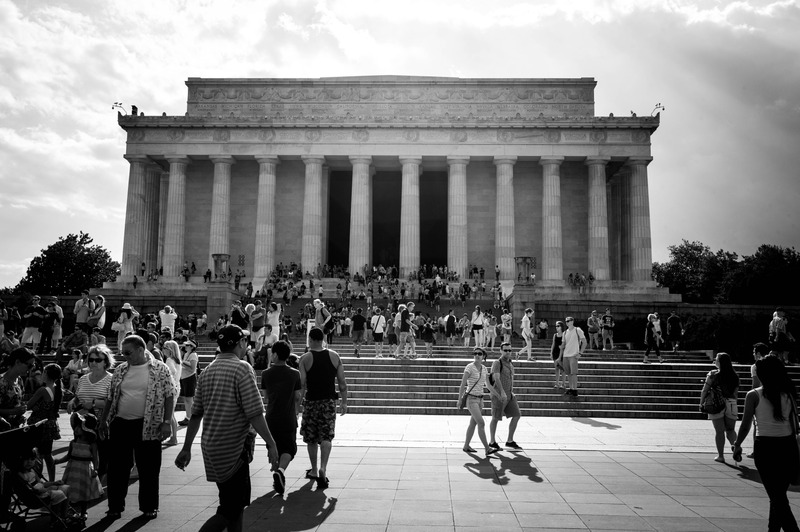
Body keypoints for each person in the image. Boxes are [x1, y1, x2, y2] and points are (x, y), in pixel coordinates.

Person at [176, 324, 279, 531]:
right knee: (229, 509)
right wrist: (271, 444)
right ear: (240, 343)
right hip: (233, 449)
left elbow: (195, 414)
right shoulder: (242, 368)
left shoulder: (207, 371)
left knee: (233, 504)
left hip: (211, 446)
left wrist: (186, 448)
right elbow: (255, 413)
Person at [99, 334, 177, 520]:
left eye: (128, 353)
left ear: (141, 350)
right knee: (117, 468)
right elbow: (111, 396)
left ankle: (149, 507)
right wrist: (103, 420)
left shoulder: (160, 368)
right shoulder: (121, 369)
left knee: (149, 468)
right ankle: (115, 506)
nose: (124, 356)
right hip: (121, 423)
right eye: (122, 353)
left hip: (149, 424)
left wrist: (167, 423)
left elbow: (169, 395)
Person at [733, 355, 800, 531]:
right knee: (777, 496)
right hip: (788, 447)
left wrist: (737, 444)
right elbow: (796, 425)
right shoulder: (789, 394)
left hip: (766, 448)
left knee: (777, 497)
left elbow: (746, 424)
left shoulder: (753, 395)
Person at [299, 327, 347, 490]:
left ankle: (313, 469)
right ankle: (323, 468)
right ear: (323, 339)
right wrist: (344, 402)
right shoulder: (334, 356)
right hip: (328, 402)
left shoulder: (305, 358)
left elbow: (302, 384)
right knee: (326, 436)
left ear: (311, 339)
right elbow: (342, 383)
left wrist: (298, 404)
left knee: (311, 437)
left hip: (312, 401)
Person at [261, 340, 302, 495]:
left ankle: (277, 471)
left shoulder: (266, 374)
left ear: (276, 355)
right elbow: (297, 396)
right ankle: (280, 471)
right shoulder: (295, 374)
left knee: (274, 445)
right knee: (289, 448)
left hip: (271, 417)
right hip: (288, 416)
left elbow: (265, 397)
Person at [71, 345, 114, 478]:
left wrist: (94, 403)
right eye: (91, 359)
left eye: (98, 360)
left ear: (106, 362)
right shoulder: (84, 379)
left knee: (102, 454)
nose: (93, 362)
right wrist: (74, 402)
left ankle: (99, 481)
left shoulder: (111, 379)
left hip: (100, 422)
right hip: (82, 423)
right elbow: (79, 397)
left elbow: (113, 402)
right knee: (83, 453)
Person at [58, 412, 103, 517]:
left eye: (79, 427)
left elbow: (96, 459)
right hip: (72, 470)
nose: (76, 429)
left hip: (85, 471)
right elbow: (68, 456)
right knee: (69, 490)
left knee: (84, 492)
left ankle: (84, 511)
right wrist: (57, 461)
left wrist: (96, 469)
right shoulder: (73, 442)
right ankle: (67, 510)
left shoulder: (91, 444)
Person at [700, 352, 739, 463]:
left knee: (719, 431)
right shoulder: (734, 376)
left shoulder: (713, 375)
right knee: (730, 430)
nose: (714, 361)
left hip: (716, 404)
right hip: (732, 404)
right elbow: (735, 394)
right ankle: (735, 447)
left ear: (720, 362)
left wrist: (701, 403)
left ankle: (721, 456)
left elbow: (705, 390)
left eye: (716, 359)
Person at [26, 363, 62, 481]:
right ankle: (52, 480)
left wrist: (34, 407)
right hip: (51, 424)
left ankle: (38, 480)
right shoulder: (57, 388)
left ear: (47, 374)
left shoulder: (42, 390)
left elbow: (28, 405)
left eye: (43, 372)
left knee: (38, 455)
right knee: (47, 454)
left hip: (39, 425)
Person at [458, 348, 497, 457]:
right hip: (471, 399)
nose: (477, 355)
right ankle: (487, 448)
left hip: (480, 399)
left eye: (479, 354)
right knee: (481, 423)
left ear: (484, 356)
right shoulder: (469, 367)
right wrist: (460, 399)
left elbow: (488, 385)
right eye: (475, 353)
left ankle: (466, 446)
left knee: (473, 423)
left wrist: (497, 395)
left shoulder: (484, 368)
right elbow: (462, 384)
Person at [488, 343, 522, 451]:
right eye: (505, 350)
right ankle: (492, 441)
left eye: (509, 350)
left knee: (516, 415)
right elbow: (497, 378)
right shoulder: (497, 363)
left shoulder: (510, 363)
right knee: (496, 418)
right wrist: (502, 392)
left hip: (510, 394)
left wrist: (510, 392)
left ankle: (510, 440)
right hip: (499, 395)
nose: (508, 352)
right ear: (501, 351)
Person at [159, 329, 182, 445]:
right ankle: (174, 437)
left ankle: (174, 438)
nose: (162, 350)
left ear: (169, 350)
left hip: (171, 387)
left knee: (170, 413)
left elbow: (170, 372)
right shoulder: (177, 360)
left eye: (164, 348)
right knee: (172, 413)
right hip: (177, 386)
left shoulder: (169, 360)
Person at [562, 317, 586, 397]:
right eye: (566, 321)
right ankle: (571, 388)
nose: (567, 322)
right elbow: (564, 344)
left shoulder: (577, 330)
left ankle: (575, 389)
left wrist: (580, 353)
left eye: (568, 321)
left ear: (572, 321)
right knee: (568, 373)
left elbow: (584, 342)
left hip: (573, 355)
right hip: (566, 355)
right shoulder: (565, 332)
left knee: (574, 373)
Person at [178, 340, 199, 427]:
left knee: (189, 399)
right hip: (184, 378)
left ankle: (190, 418)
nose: (185, 346)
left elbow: (193, 369)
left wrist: (182, 362)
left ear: (191, 346)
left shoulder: (193, 355)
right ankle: (187, 417)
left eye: (187, 345)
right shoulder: (187, 354)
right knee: (186, 399)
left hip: (189, 378)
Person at [551, 321, 566, 389]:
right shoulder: (555, 335)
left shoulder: (564, 334)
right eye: (556, 326)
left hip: (562, 352)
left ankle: (563, 384)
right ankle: (557, 383)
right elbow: (553, 344)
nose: (556, 327)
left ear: (561, 327)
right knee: (556, 368)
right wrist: (551, 353)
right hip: (555, 352)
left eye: (558, 326)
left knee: (562, 369)